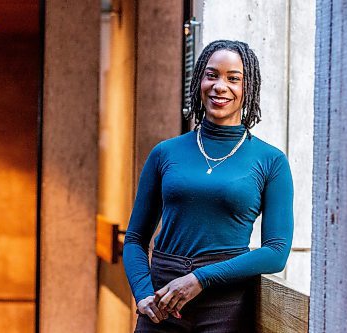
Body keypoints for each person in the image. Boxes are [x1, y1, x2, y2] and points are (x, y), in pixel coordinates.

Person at [123, 40, 294, 333]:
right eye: (211, 75)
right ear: (199, 80)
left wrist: (201, 278)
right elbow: (135, 239)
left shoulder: (271, 160)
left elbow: (276, 252)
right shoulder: (165, 153)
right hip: (162, 304)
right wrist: (142, 293)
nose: (220, 86)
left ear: (248, 87)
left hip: (225, 306)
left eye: (233, 78)